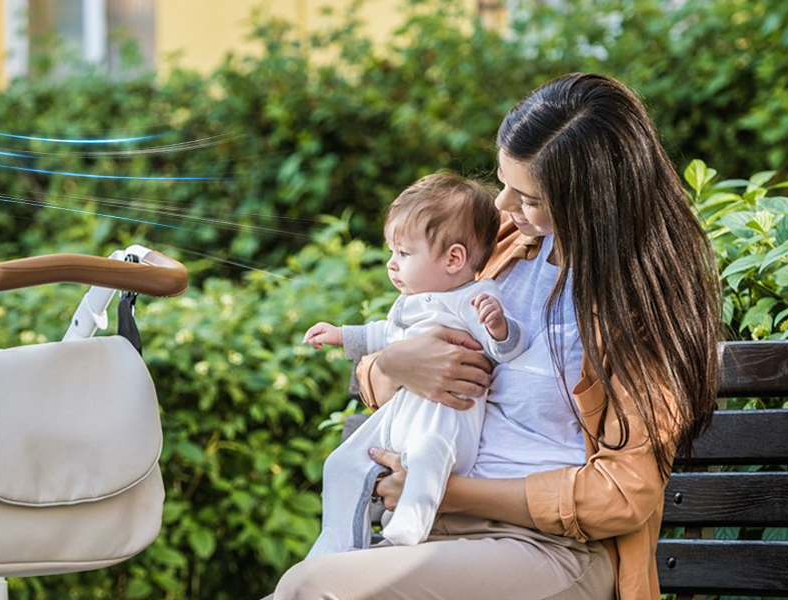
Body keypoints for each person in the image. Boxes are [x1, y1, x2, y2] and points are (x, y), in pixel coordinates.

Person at [269, 73, 721, 600]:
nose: (502, 205)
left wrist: (448, 493)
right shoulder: (504, 248)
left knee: (310, 588)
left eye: (527, 196)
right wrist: (392, 365)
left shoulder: (637, 309)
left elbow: (623, 495)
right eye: (505, 182)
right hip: (440, 534)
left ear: (589, 202)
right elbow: (405, 355)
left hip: (550, 551)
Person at [300, 173, 526, 556]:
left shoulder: (476, 297)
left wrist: (500, 328)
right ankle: (335, 541)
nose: (391, 264)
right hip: (404, 413)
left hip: (447, 418)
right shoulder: (413, 301)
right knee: (341, 463)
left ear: (454, 258)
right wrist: (340, 334)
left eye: (403, 254)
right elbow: (384, 334)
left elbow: (504, 349)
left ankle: (410, 524)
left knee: (427, 453)